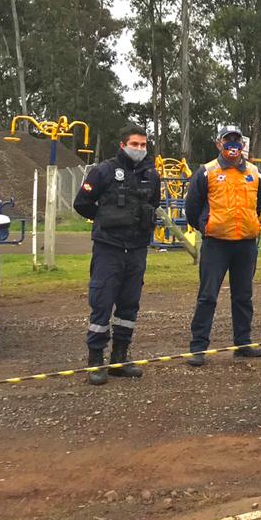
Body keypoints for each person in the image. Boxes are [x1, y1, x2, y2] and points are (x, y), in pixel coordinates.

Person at [73, 125, 161, 385]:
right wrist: (105, 220)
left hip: (136, 250)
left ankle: (120, 358)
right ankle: (95, 360)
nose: (140, 149)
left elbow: (153, 204)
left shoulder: (151, 175)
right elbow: (82, 203)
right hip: (108, 248)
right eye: (135, 144)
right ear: (123, 145)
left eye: (144, 145)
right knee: (102, 303)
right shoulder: (104, 171)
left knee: (129, 305)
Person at [183, 126, 261, 367]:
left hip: (245, 244)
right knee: (207, 296)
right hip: (216, 245)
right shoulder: (206, 172)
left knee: (243, 296)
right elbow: (192, 208)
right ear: (219, 144)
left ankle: (243, 344)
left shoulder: (254, 172)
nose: (232, 144)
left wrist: (252, 223)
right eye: (227, 140)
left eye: (236, 140)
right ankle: (198, 347)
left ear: (242, 144)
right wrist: (207, 226)